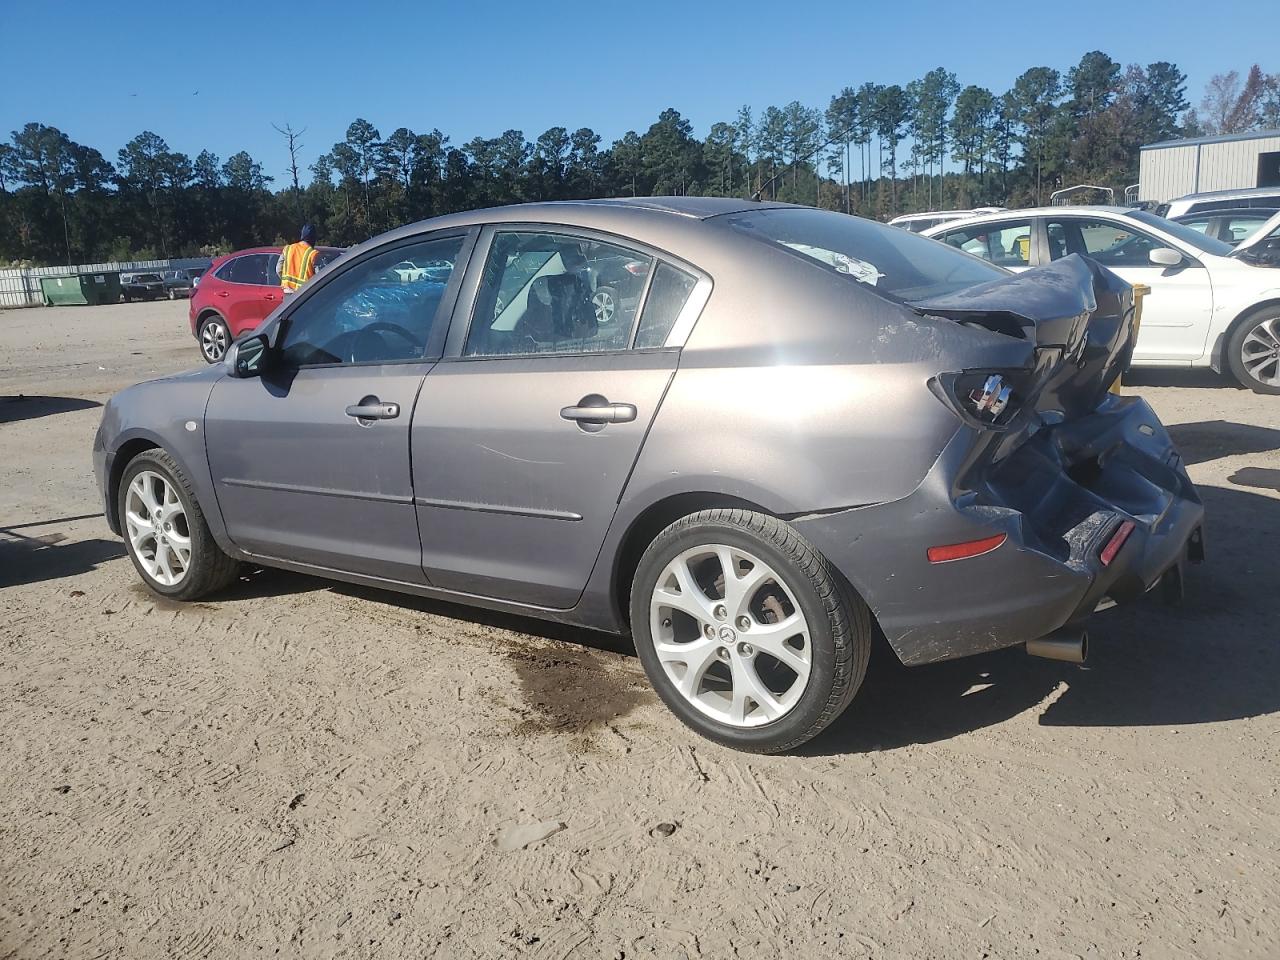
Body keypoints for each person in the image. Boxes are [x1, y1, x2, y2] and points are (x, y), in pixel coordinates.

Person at [278, 225, 319, 293]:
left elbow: (278, 269)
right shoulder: (313, 254)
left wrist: (286, 282)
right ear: (313, 238)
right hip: (304, 295)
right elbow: (320, 277)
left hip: (287, 293)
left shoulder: (288, 249)